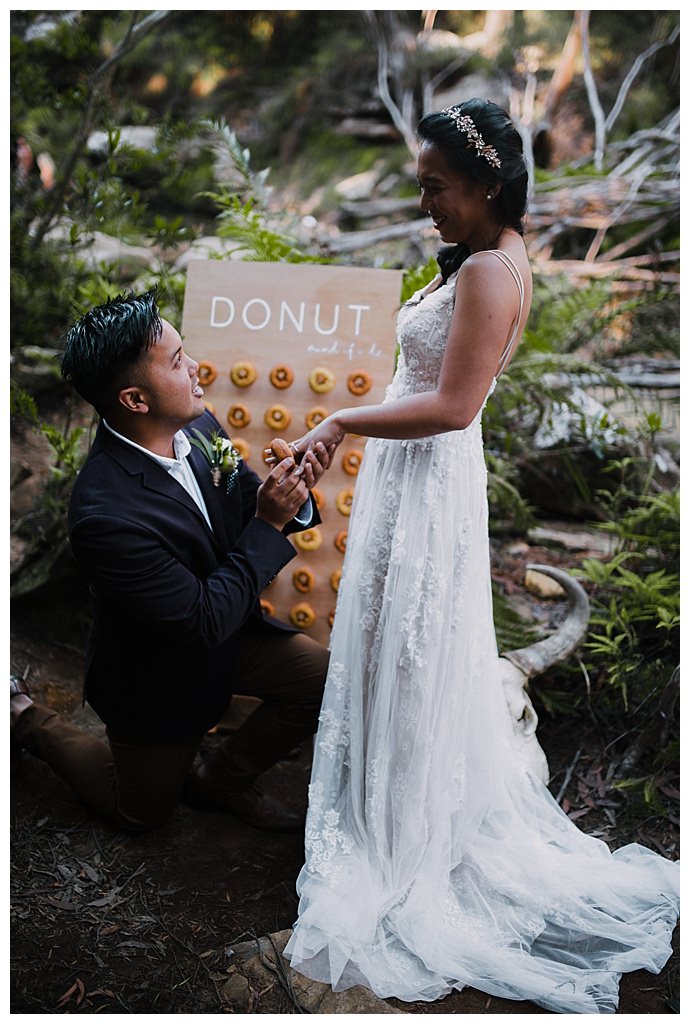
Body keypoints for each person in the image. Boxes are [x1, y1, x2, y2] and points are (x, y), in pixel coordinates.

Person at [276, 100, 679, 1013]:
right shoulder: (486, 256)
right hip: (413, 484)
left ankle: (403, 843)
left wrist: (339, 420)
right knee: (397, 655)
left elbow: (454, 406)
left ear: (489, 183)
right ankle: (391, 812)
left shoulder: (493, 272)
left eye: (438, 189)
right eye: (422, 188)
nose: (427, 206)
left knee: (409, 658)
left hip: (427, 485)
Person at [10, 288, 333, 835]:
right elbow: (200, 622)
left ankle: (220, 779)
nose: (195, 367)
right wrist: (269, 523)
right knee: (139, 813)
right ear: (136, 400)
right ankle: (23, 717)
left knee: (325, 681)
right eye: (178, 362)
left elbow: (242, 497)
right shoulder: (104, 516)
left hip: (230, 629)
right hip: (160, 673)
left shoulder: (201, 427)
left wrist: (293, 494)